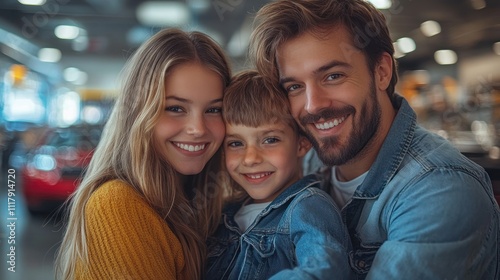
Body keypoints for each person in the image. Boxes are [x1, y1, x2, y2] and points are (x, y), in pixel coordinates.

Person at [248, 0, 500, 279]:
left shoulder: (441, 189)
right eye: (295, 86)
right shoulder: (304, 161)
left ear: (381, 72)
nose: (312, 106)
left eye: (333, 76)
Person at [55, 28, 231, 280]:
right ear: (138, 114)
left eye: (214, 110)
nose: (198, 129)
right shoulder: (117, 204)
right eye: (175, 108)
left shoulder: (199, 199)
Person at [205, 70, 352, 279]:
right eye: (236, 143)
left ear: (302, 143)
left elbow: (323, 272)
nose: (250, 158)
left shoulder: (308, 207)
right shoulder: (224, 213)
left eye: (270, 140)